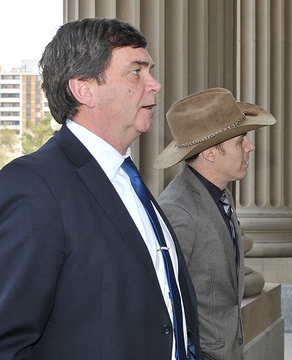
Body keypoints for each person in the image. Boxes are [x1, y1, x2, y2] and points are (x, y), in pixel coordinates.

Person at [0, 18, 201, 359]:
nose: (155, 84)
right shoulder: (34, 186)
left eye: (149, 70)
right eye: (136, 72)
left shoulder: (128, 179)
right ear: (84, 89)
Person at [155, 88, 276, 360]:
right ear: (210, 153)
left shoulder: (219, 194)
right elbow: (162, 306)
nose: (250, 146)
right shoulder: (178, 211)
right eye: (240, 140)